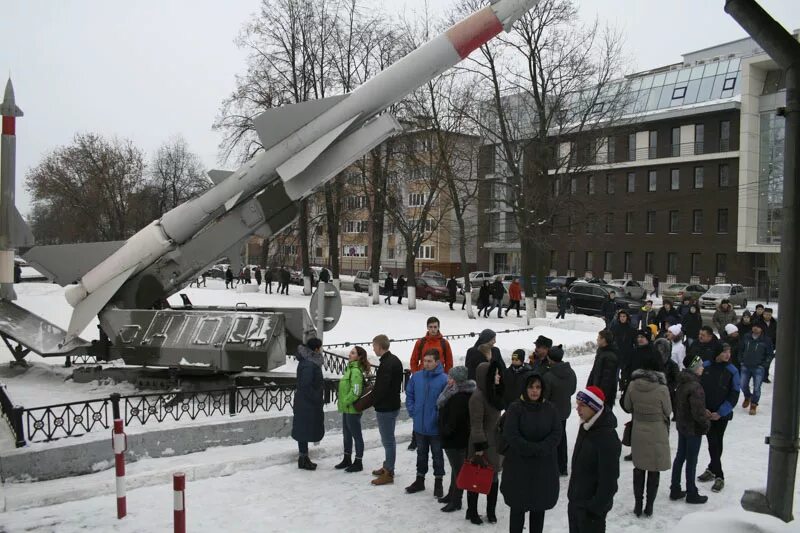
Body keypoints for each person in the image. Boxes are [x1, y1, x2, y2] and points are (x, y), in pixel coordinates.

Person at [501, 373, 562, 533]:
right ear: (525, 388)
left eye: (538, 387)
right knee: (517, 509)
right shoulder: (515, 408)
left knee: (538, 508)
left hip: (543, 467)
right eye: (531, 387)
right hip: (518, 467)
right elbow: (511, 434)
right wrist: (530, 448)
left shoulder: (550, 408)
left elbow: (556, 433)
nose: (534, 391)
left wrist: (542, 448)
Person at [623, 352, 672, 517]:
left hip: (638, 429)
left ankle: (638, 504)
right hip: (657, 431)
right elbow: (668, 410)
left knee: (639, 468)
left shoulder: (632, 385)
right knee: (654, 469)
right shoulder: (662, 388)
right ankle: (649, 506)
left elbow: (627, 406)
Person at [568, 386, 621, 533]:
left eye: (582, 405)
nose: (578, 409)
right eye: (577, 404)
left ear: (594, 407)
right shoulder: (586, 426)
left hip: (591, 513)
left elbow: (609, 483)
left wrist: (594, 509)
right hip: (576, 504)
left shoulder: (607, 437)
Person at [405, 349, 449, 496]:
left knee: (437, 455)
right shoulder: (416, 377)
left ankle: (438, 483)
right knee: (421, 454)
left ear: (437, 362)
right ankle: (420, 480)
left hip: (435, 427)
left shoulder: (444, 379)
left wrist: (438, 417)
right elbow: (409, 395)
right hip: (419, 425)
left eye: (429, 361)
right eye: (424, 361)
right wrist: (413, 411)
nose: (426, 364)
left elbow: (447, 402)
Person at [697, 344, 740, 493]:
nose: (728, 354)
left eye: (729, 351)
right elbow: (697, 387)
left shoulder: (732, 370)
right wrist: (703, 409)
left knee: (716, 441)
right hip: (707, 412)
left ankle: (718, 474)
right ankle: (713, 469)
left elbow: (734, 394)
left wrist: (721, 412)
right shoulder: (705, 365)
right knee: (712, 442)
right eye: (724, 352)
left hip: (722, 414)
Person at [466, 360, 505, 525]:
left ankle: (491, 512)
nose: (497, 376)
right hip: (480, 443)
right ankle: (472, 512)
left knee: (493, 478)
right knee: (475, 476)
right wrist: (479, 448)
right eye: (494, 374)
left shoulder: (493, 393)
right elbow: (476, 425)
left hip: (493, 442)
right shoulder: (477, 397)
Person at [670, 355, 711, 504]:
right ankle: (691, 492)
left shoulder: (682, 383)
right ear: (694, 368)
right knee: (691, 460)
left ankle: (675, 488)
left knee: (680, 456)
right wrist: (706, 423)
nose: (703, 368)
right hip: (693, 428)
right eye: (700, 365)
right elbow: (698, 412)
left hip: (682, 426)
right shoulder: (695, 386)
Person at [437, 365, 475, 512]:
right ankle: (452, 495)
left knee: (459, 470)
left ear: (457, 380)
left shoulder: (460, 396)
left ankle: (456, 500)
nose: (448, 379)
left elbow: (455, 420)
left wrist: (445, 431)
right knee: (455, 468)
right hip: (453, 438)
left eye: (451, 377)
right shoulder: (454, 392)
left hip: (455, 440)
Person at [370, 334, 404, 486]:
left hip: (386, 407)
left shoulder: (387, 363)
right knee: (388, 439)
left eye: (374, 346)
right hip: (391, 404)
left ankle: (389, 472)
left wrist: (372, 400)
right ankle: (387, 466)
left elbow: (383, 388)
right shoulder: (392, 360)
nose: (373, 348)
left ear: (379, 346)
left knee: (388, 440)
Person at [542, 345, 578, 476]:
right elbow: (573, 390)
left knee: (553, 439)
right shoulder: (570, 372)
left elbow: (545, 396)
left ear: (550, 359)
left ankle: (554, 466)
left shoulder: (549, 376)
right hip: (565, 409)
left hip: (551, 412)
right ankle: (563, 466)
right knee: (562, 436)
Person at [335, 345, 371, 473]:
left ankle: (358, 461)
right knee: (346, 435)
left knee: (356, 435)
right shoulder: (349, 369)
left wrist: (345, 401)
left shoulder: (355, 371)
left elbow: (356, 391)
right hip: (347, 408)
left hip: (353, 409)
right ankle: (347, 458)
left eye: (353, 353)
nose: (349, 354)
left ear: (359, 357)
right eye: (350, 352)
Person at [292, 338, 325, 471]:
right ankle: (303, 459)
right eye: (320, 347)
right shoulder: (309, 364)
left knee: (303, 430)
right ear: (316, 348)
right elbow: (306, 385)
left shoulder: (308, 361)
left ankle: (303, 458)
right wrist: (317, 397)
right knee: (304, 430)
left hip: (305, 401)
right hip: (307, 402)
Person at [738, 323, 774, 416]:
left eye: (758, 327)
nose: (755, 328)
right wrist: (741, 360)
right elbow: (740, 349)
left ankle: (754, 404)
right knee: (742, 384)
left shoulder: (766, 340)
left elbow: (770, 354)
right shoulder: (746, 337)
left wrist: (764, 365)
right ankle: (747, 396)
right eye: (754, 326)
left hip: (758, 367)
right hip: (745, 365)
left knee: (757, 387)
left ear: (761, 329)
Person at [587, 330, 618, 409]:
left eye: (598, 338)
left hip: (603, 396)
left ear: (604, 340)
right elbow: (594, 371)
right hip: (596, 392)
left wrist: (600, 396)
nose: (597, 339)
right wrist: (589, 387)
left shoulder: (610, 356)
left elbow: (607, 381)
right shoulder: (601, 351)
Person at [611, 310, 636, 388]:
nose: (622, 318)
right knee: (615, 371)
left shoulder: (631, 328)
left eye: (624, 316)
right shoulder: (615, 327)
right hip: (616, 353)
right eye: (621, 316)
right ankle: (614, 386)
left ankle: (623, 387)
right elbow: (611, 339)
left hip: (627, 353)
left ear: (627, 317)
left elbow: (634, 341)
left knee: (625, 372)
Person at [758, 307, 777, 383]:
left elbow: (776, 335)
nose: (767, 316)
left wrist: (774, 345)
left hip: (770, 346)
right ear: (763, 314)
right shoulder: (758, 322)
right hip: (759, 345)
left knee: (767, 362)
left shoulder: (774, 323)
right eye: (766, 314)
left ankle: (765, 376)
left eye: (769, 314)